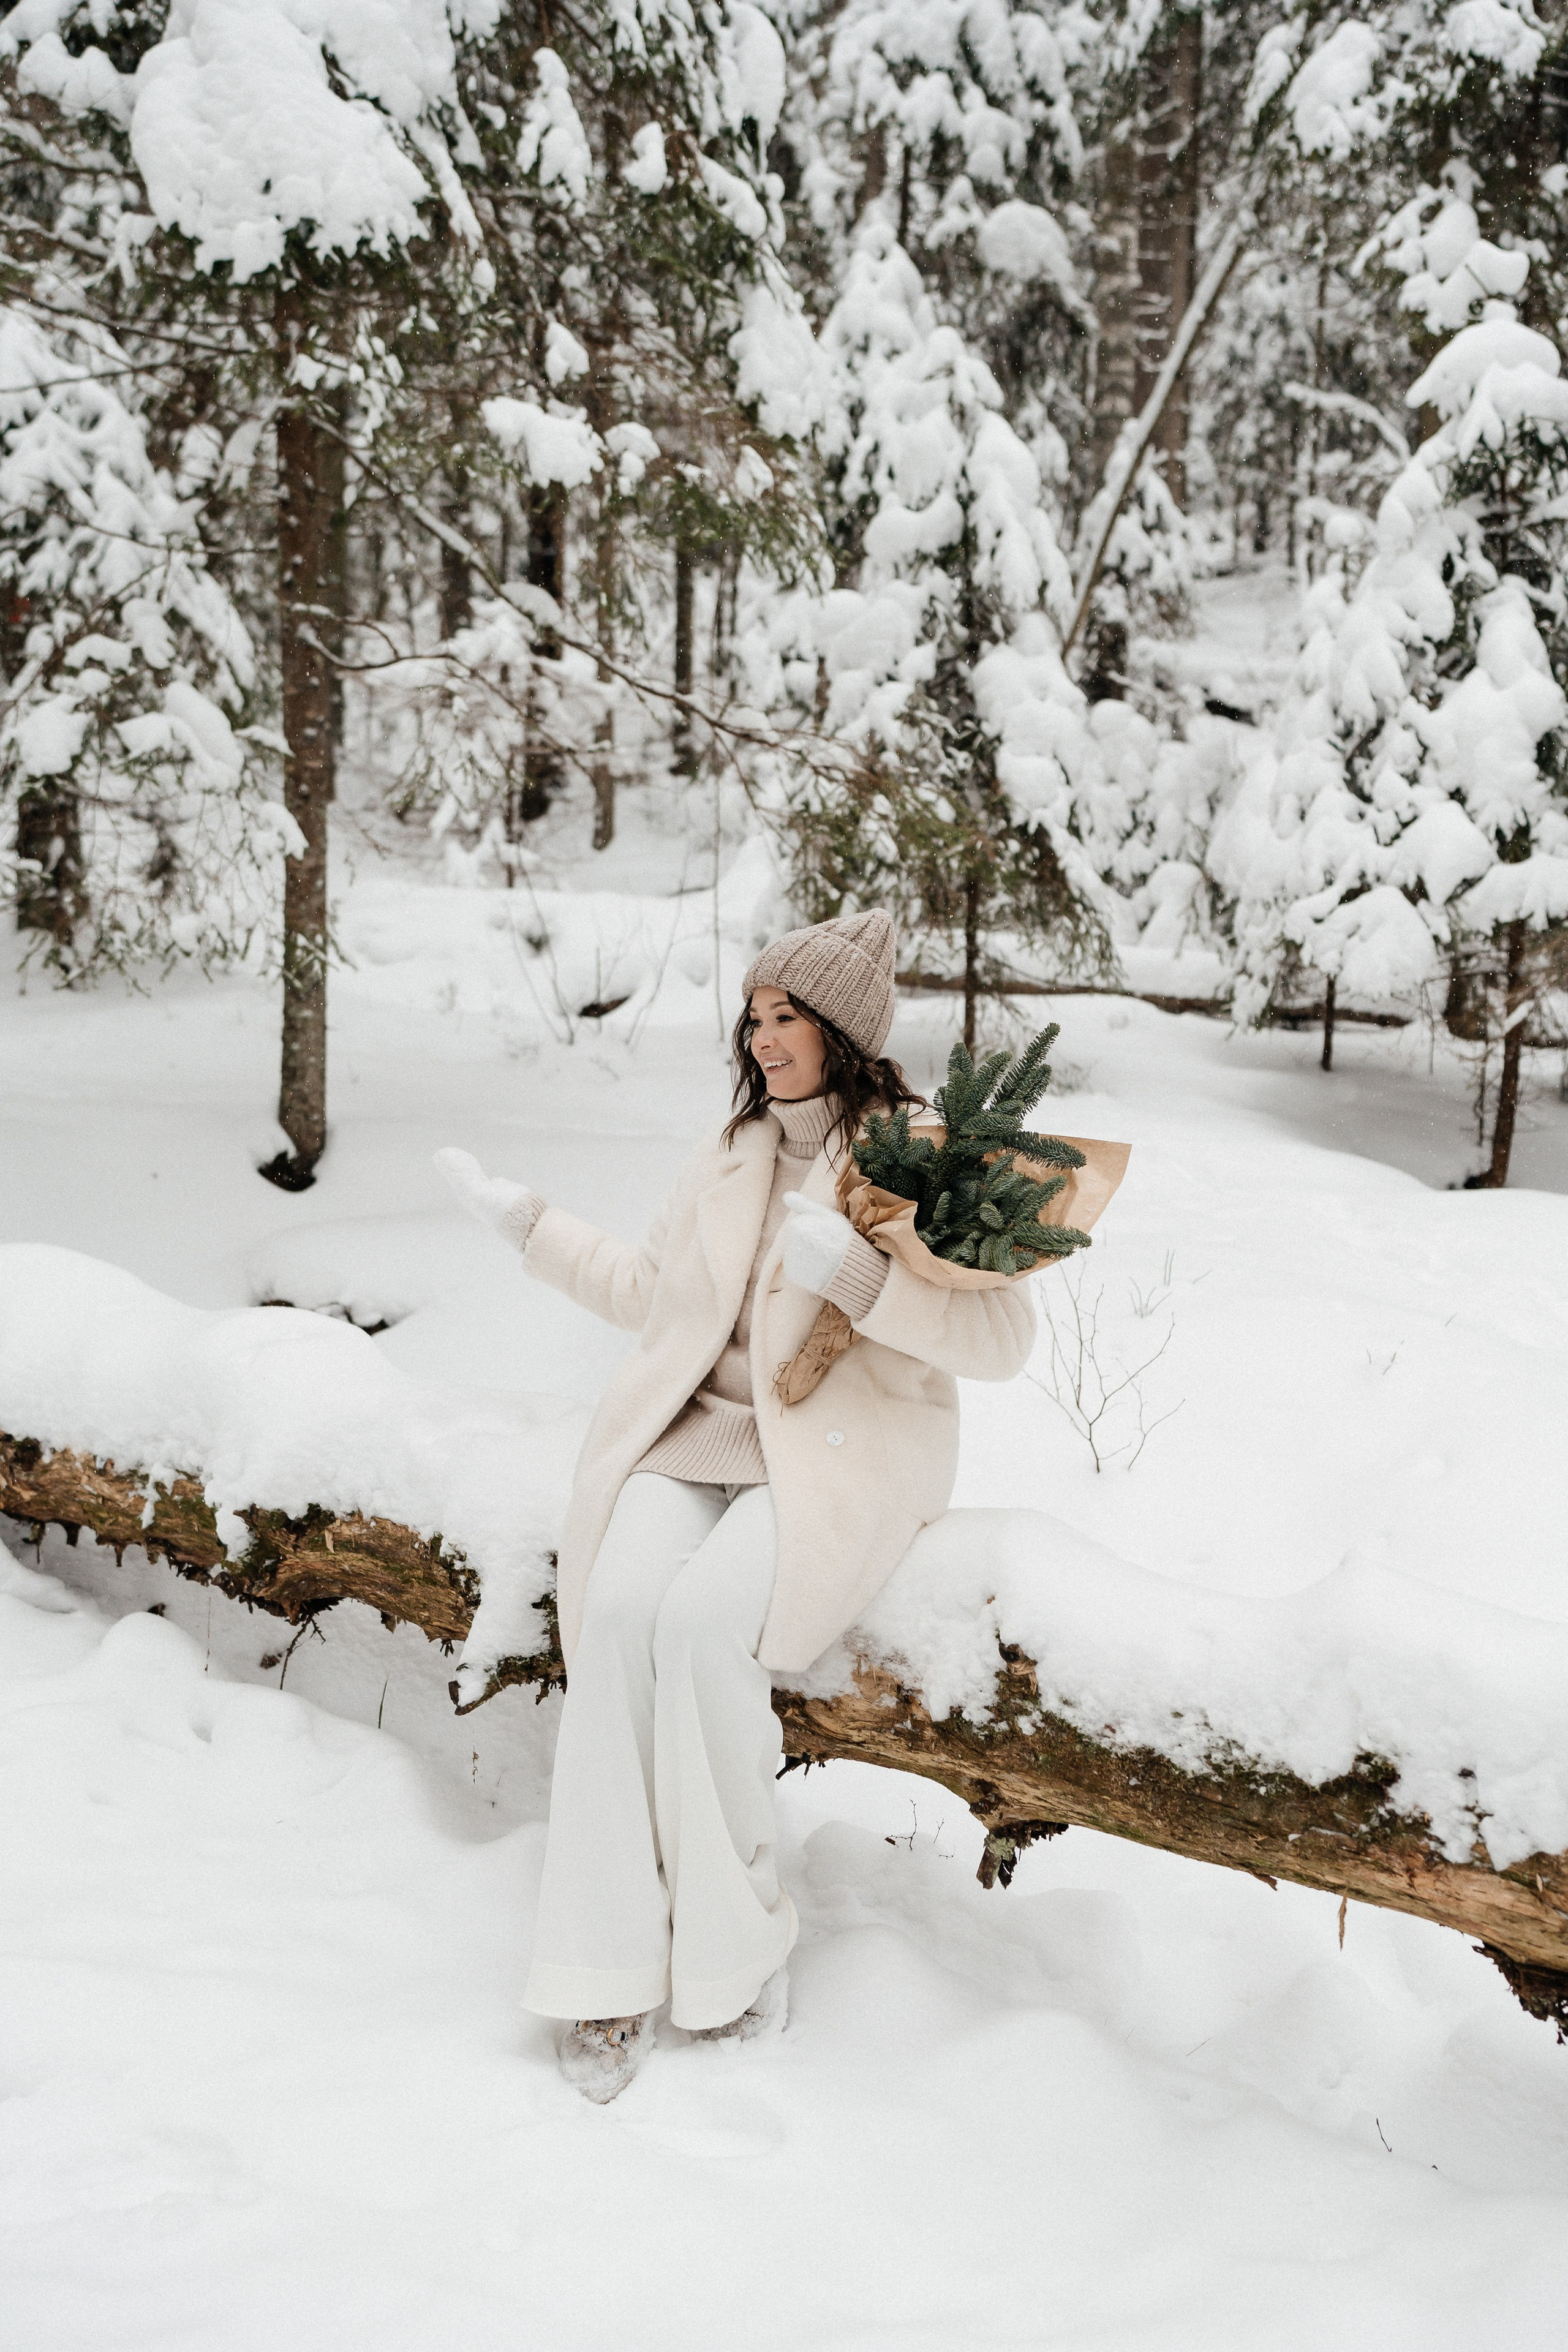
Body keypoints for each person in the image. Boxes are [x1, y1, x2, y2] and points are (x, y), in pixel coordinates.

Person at [435, 911, 1036, 2101]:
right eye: (753, 1017)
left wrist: (862, 1280)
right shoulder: (730, 1151)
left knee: (705, 1628)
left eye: (786, 1017)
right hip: (694, 1436)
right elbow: (652, 1293)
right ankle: (603, 1962)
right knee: (615, 1620)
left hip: (828, 1454)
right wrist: (532, 1229)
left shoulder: (917, 1153)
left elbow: (1002, 1336)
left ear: (841, 1033)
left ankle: (733, 1948)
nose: (762, 1039)